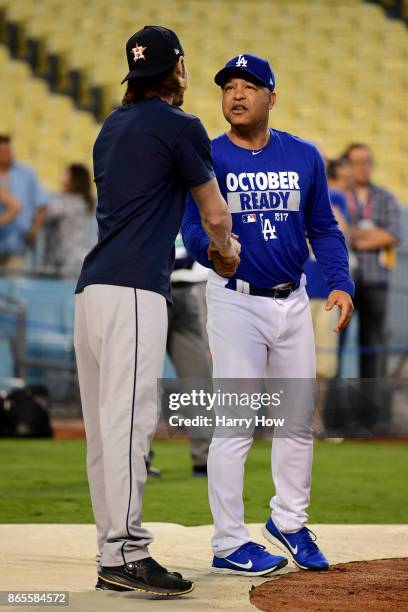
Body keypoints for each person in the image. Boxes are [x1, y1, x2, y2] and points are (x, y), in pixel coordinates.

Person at [74, 26, 240, 596]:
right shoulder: (181, 126)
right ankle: (125, 555)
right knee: (129, 428)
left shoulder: (111, 126)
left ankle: (110, 552)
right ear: (180, 70)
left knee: (104, 434)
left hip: (91, 290)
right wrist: (227, 251)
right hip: (135, 291)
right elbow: (215, 214)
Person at [182, 54, 354, 576]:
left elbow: (323, 227)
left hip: (294, 300)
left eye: (249, 87)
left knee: (297, 421)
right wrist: (212, 251)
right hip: (235, 300)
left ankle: (289, 522)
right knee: (235, 424)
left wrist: (342, 281)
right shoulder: (206, 156)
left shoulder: (304, 155)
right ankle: (230, 541)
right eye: (229, 87)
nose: (236, 95)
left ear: (271, 98)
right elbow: (191, 229)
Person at [343, 143, 400, 379]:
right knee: (336, 344)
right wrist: (370, 236)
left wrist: (354, 237)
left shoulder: (385, 197)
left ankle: (374, 411)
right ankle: (334, 411)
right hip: (344, 283)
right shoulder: (338, 196)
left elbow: (391, 235)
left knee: (373, 345)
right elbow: (336, 231)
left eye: (367, 162)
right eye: (357, 163)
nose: (363, 168)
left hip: (376, 281)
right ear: (347, 166)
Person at [167, 233, 212, 477]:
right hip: (151, 286)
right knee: (140, 381)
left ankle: (204, 460)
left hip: (192, 286)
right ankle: (136, 459)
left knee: (199, 381)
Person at [0, 135, 47, 270]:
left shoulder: (26, 173)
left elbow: (41, 205)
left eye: (8, 151)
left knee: (14, 288)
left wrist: (35, 230)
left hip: (18, 244)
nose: (6, 155)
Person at [43, 163, 96, 277]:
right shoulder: (83, 200)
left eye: (66, 173)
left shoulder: (67, 201)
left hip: (67, 260)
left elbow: (45, 213)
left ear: (75, 178)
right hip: (76, 255)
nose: (61, 175)